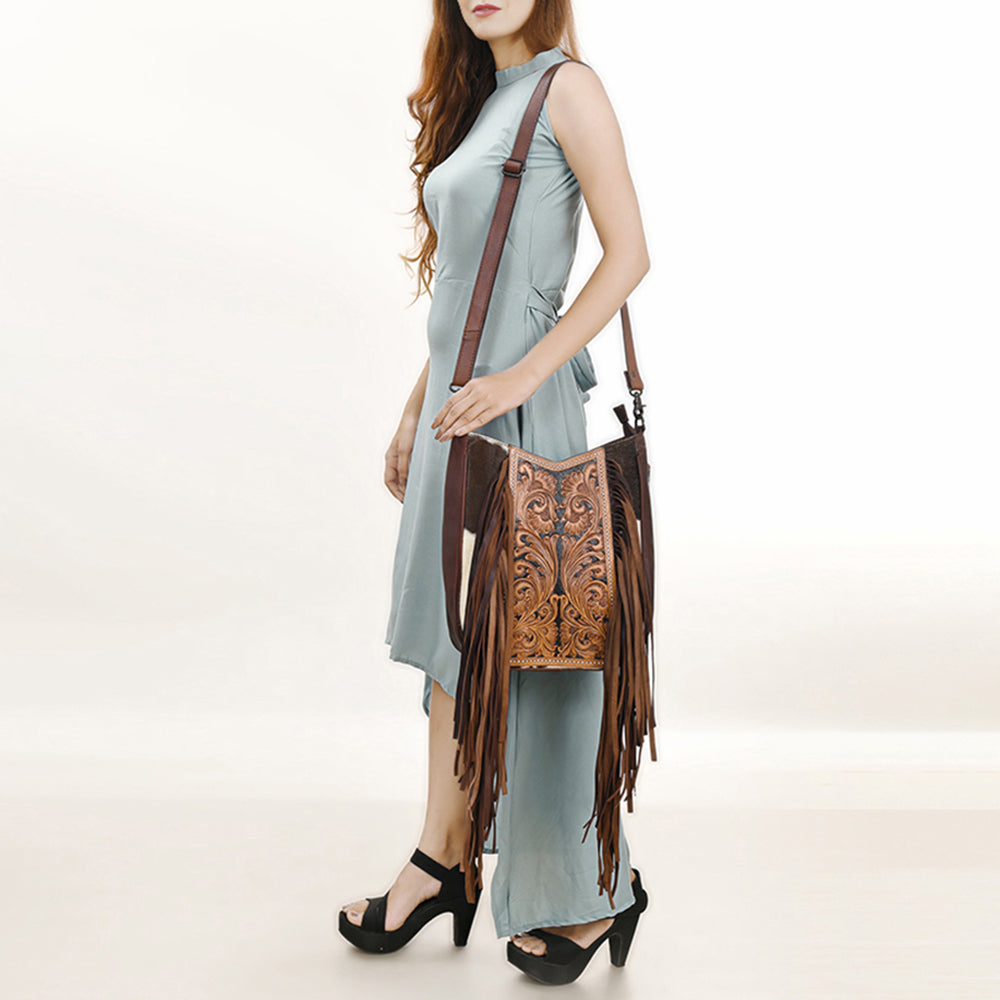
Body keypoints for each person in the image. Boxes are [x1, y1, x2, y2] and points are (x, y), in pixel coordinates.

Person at [339, 0, 651, 983]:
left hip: (520, 419)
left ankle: (592, 890)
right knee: (455, 651)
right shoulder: (486, 102)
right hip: (458, 415)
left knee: (544, 652)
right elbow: (465, 296)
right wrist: (413, 409)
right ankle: (442, 858)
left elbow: (629, 255)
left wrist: (522, 376)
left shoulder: (569, 90)